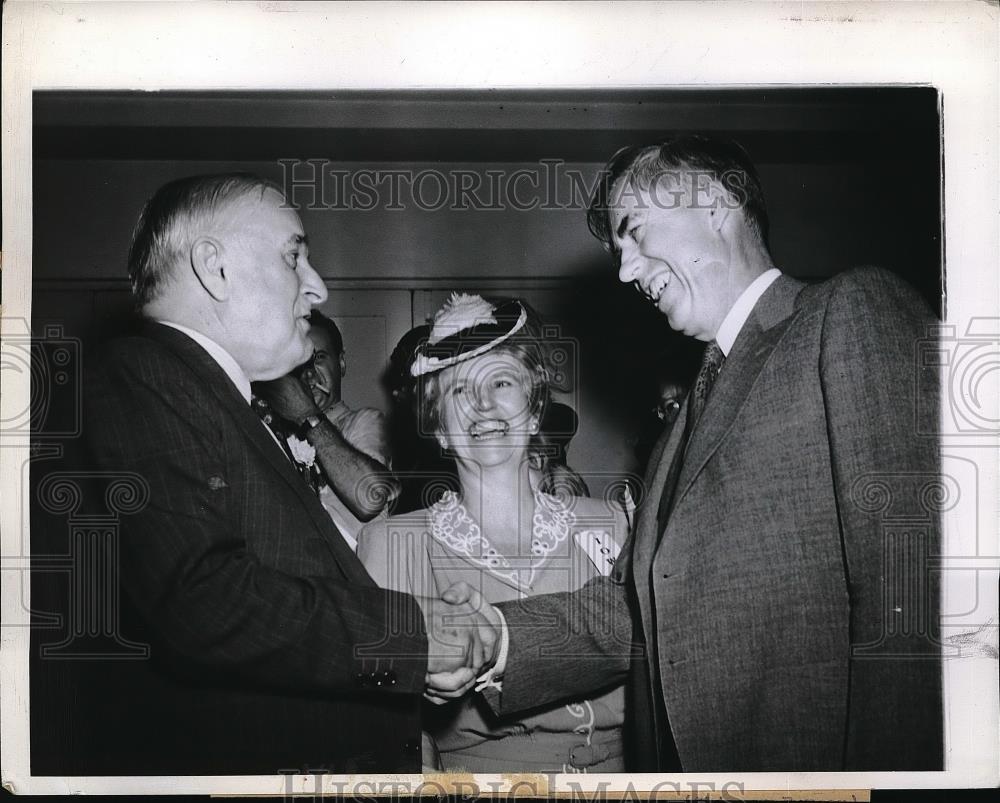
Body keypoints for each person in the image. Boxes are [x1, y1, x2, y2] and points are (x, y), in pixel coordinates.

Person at [472, 135, 943, 771]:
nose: (626, 270)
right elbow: (636, 610)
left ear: (716, 203)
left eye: (635, 232)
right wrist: (490, 640)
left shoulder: (849, 312)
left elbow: (910, 587)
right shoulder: (681, 420)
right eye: (619, 251)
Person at [83, 174, 496, 774]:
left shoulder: (213, 395)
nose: (318, 287)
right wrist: (412, 634)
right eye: (294, 255)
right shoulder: (142, 371)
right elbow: (203, 601)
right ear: (215, 268)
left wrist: (412, 656)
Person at [358, 293, 630, 773]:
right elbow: (387, 723)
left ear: (534, 406)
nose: (483, 404)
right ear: (439, 427)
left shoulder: (614, 523)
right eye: (460, 391)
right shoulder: (391, 545)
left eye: (501, 381)